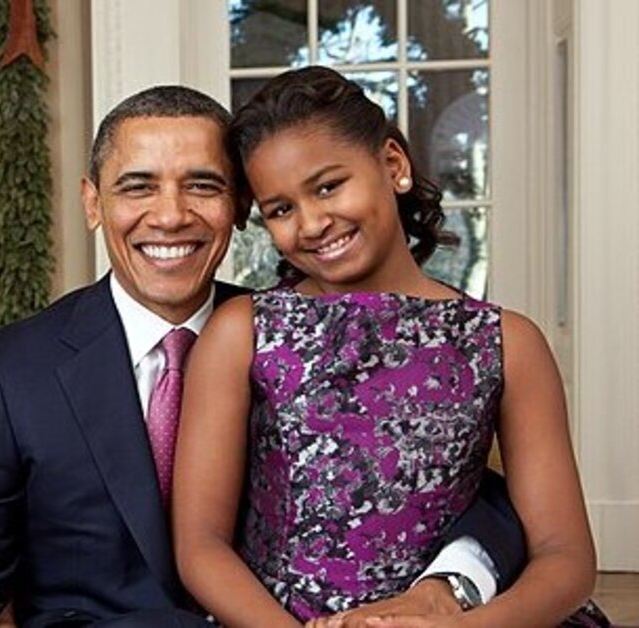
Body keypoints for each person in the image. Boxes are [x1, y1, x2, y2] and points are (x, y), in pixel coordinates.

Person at [0, 85, 525, 627]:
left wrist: (452, 582)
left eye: (202, 185)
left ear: (241, 206)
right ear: (94, 203)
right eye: (137, 187)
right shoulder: (11, 373)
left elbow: (458, 482)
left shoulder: (292, 337)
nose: (170, 216)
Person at [172, 65, 597, 626]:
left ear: (392, 165)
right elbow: (200, 547)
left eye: (328, 186)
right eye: (280, 209)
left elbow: (565, 558)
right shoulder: (242, 332)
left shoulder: (507, 342)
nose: (313, 222)